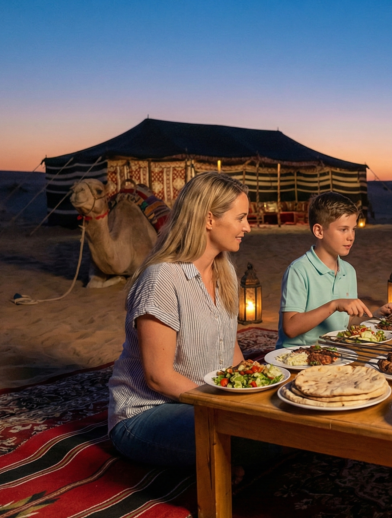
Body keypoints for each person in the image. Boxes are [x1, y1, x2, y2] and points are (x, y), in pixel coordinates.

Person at [108, 172, 278, 474]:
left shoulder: (224, 273)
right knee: (257, 436)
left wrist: (256, 389)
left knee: (284, 422)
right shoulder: (162, 278)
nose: (247, 227)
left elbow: (229, 346)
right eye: (240, 218)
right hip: (147, 412)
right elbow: (159, 378)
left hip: (202, 403)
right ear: (209, 219)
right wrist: (227, 405)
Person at [276, 192, 392, 348]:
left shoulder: (349, 271)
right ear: (319, 231)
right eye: (343, 229)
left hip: (335, 353)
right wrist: (333, 305)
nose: (351, 237)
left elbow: (347, 323)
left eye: (353, 229)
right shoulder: (298, 270)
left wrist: (375, 316)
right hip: (297, 355)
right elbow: (291, 329)